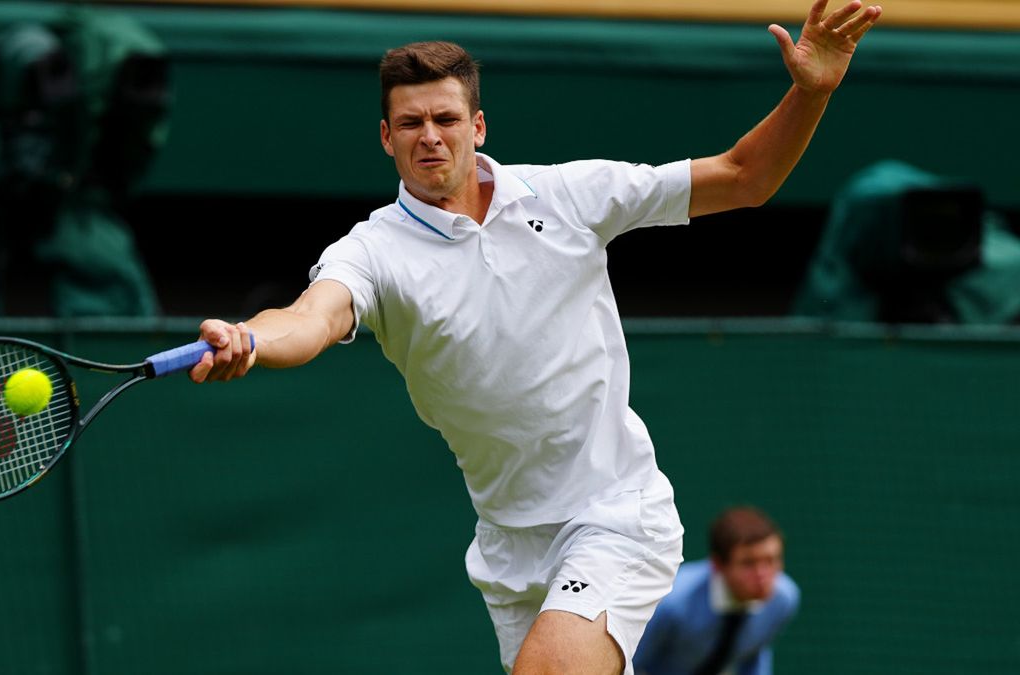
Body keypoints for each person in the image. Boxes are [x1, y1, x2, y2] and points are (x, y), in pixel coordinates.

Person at [188, 2, 879, 672]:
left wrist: (810, 93)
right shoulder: (371, 251)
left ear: (478, 125)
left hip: (614, 514)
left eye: (446, 118)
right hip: (510, 551)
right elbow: (313, 316)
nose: (430, 134)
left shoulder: (571, 195)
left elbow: (743, 177)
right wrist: (250, 337)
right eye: (411, 122)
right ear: (386, 137)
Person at [632, 507, 800, 675]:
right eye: (749, 563)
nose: (763, 575)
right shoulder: (671, 602)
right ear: (718, 564)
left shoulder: (783, 599)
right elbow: (629, 663)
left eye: (771, 560)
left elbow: (754, 652)